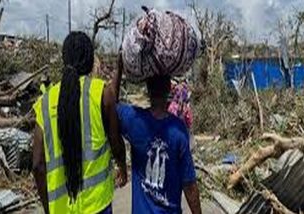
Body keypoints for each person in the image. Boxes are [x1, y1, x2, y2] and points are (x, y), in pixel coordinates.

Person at [32, 32, 127, 214]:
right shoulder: (101, 92)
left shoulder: (44, 103)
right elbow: (116, 142)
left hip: (60, 209)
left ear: (64, 59)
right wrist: (122, 167)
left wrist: (48, 208)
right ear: (91, 61)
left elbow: (38, 165)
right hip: (96, 204)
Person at [112, 54, 202, 214]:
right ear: (169, 88)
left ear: (148, 89)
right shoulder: (179, 130)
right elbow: (189, 185)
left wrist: (119, 67)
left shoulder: (134, 120)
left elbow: (111, 106)